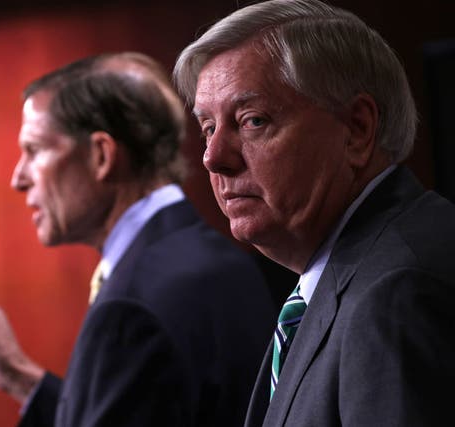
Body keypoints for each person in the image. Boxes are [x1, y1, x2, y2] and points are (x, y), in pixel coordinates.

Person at [0, 52, 276, 426]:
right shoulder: (220, 259)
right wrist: (22, 378)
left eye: (34, 151)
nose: (19, 178)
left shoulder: (131, 308)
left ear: (101, 155)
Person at [173, 0, 455, 426]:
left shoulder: (397, 293)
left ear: (357, 130)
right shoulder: (354, 271)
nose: (213, 159)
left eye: (252, 121)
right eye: (208, 128)